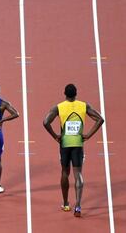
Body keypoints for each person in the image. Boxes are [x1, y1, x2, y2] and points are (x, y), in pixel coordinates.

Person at [43, 84, 104, 217]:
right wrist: (88, 135)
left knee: (65, 172)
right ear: (76, 94)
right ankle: (78, 206)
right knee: (78, 174)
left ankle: (65, 204)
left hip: (64, 144)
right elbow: (100, 119)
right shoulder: (84, 106)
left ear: (64, 93)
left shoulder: (59, 107)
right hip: (78, 144)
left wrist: (55, 136)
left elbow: (46, 122)